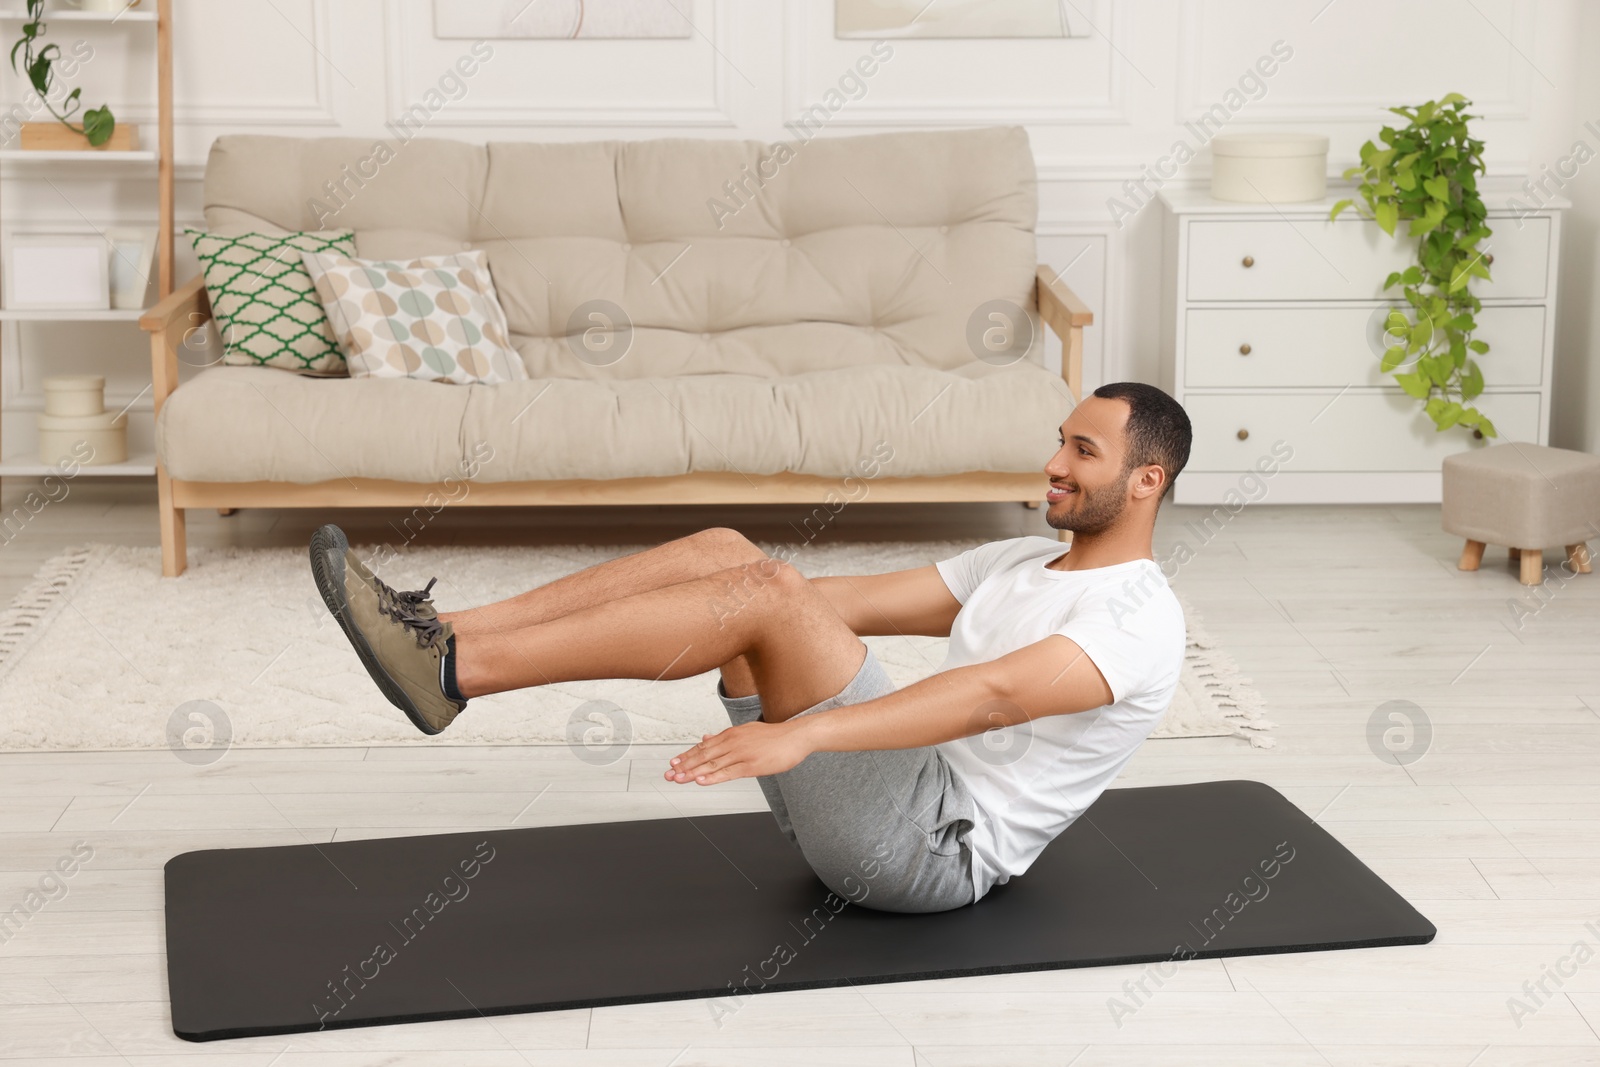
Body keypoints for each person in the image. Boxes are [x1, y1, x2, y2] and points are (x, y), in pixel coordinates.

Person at [308, 381, 1192, 914]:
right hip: (880, 801)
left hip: (935, 849)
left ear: (1146, 481)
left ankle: (461, 671)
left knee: (764, 591)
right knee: (736, 558)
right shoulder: (1020, 560)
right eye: (1059, 440)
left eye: (1083, 451)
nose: (1055, 462)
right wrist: (732, 593)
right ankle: (445, 632)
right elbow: (826, 602)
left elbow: (995, 695)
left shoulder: (1138, 617)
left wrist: (801, 732)